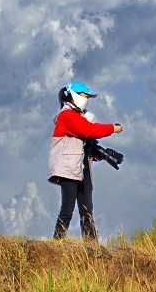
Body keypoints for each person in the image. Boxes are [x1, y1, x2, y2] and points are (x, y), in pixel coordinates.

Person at [48, 81, 122, 241]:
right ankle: (57, 243)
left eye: (88, 96)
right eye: (84, 95)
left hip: (81, 169)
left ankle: (91, 246)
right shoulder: (67, 116)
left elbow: (83, 144)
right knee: (67, 209)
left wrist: (101, 154)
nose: (86, 98)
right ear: (73, 95)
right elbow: (87, 130)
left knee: (86, 210)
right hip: (68, 168)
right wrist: (113, 128)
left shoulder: (81, 117)